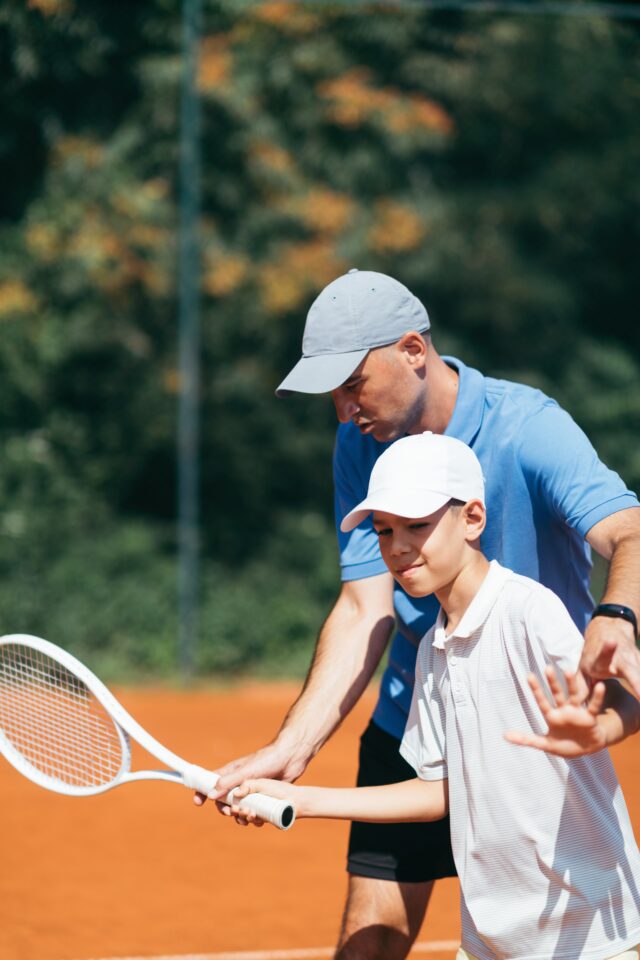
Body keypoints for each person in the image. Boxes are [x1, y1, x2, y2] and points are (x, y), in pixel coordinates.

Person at [199, 270, 640, 960]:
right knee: (368, 947)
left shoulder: (526, 430)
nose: (345, 411)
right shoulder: (358, 443)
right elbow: (363, 604)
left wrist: (617, 615)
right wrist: (294, 751)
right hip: (422, 703)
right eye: (333, 395)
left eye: (353, 385)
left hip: (540, 722)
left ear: (412, 350)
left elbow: (628, 531)